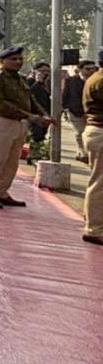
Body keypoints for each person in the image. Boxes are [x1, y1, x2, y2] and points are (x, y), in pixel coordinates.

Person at [0, 47, 53, 208]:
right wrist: (30, 116)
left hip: (19, 122)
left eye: (20, 59)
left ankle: (1, 192)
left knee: (12, 161)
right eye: (13, 59)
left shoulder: (20, 78)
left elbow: (30, 99)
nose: (18, 62)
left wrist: (43, 114)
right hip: (0, 120)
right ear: (2, 61)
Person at [81, 56, 103, 245]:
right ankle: (94, 228)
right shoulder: (100, 81)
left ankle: (93, 221)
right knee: (100, 182)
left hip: (96, 132)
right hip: (100, 132)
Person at [63, 60, 96, 163]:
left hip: (93, 112)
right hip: (76, 111)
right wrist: (65, 108)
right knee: (80, 131)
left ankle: (89, 152)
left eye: (93, 69)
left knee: (91, 133)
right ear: (80, 70)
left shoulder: (97, 80)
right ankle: (82, 152)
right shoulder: (71, 81)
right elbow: (65, 95)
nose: (90, 71)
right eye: (87, 69)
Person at [26, 62, 52, 163]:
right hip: (34, 114)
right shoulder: (29, 81)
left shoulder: (47, 82)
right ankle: (33, 155)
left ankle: (37, 154)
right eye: (42, 71)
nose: (45, 73)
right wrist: (37, 82)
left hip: (45, 113)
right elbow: (29, 95)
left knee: (42, 135)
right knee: (36, 135)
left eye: (47, 71)